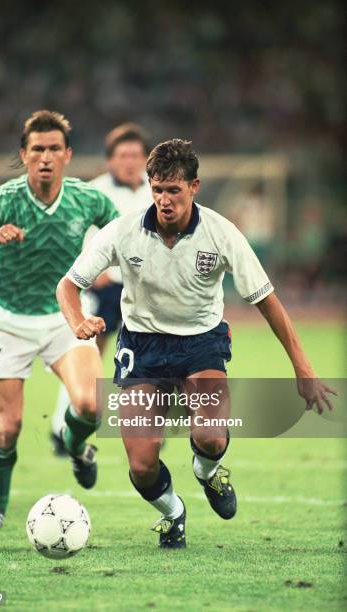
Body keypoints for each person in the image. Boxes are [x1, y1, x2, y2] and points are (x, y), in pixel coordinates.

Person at [56, 139, 335, 549]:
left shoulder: (222, 233)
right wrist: (77, 319)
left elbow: (268, 302)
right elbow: (68, 284)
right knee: (142, 465)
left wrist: (304, 369)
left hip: (201, 343)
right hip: (142, 350)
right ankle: (173, 513)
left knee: (210, 437)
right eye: (157, 189)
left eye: (173, 190)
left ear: (194, 186)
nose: (164, 200)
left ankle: (207, 473)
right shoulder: (123, 231)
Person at [0, 110, 119, 528]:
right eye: (38, 149)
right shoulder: (4, 199)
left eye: (54, 149)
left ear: (68, 155)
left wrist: (112, 268)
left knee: (91, 404)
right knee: (8, 426)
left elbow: (123, 233)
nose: (46, 156)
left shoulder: (87, 199)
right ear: (24, 155)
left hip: (65, 316)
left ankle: (77, 447)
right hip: (8, 321)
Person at [51, 123, 152, 452]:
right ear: (110, 160)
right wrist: (91, 271)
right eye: (122, 155)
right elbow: (72, 235)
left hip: (148, 290)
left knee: (150, 359)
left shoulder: (159, 190)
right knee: (89, 355)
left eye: (136, 155)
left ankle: (146, 427)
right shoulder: (93, 192)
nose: (130, 161)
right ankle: (60, 427)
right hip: (105, 287)